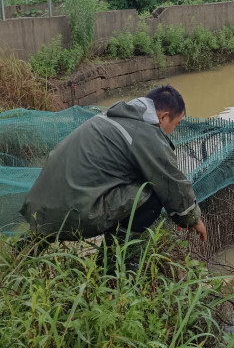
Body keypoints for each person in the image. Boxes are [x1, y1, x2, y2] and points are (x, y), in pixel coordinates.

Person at [21, 85, 207, 245]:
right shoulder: (145, 132)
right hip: (75, 214)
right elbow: (170, 182)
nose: (172, 130)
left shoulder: (110, 117)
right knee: (153, 193)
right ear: (163, 117)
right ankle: (112, 265)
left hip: (40, 210)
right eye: (176, 124)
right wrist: (193, 219)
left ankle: (23, 251)